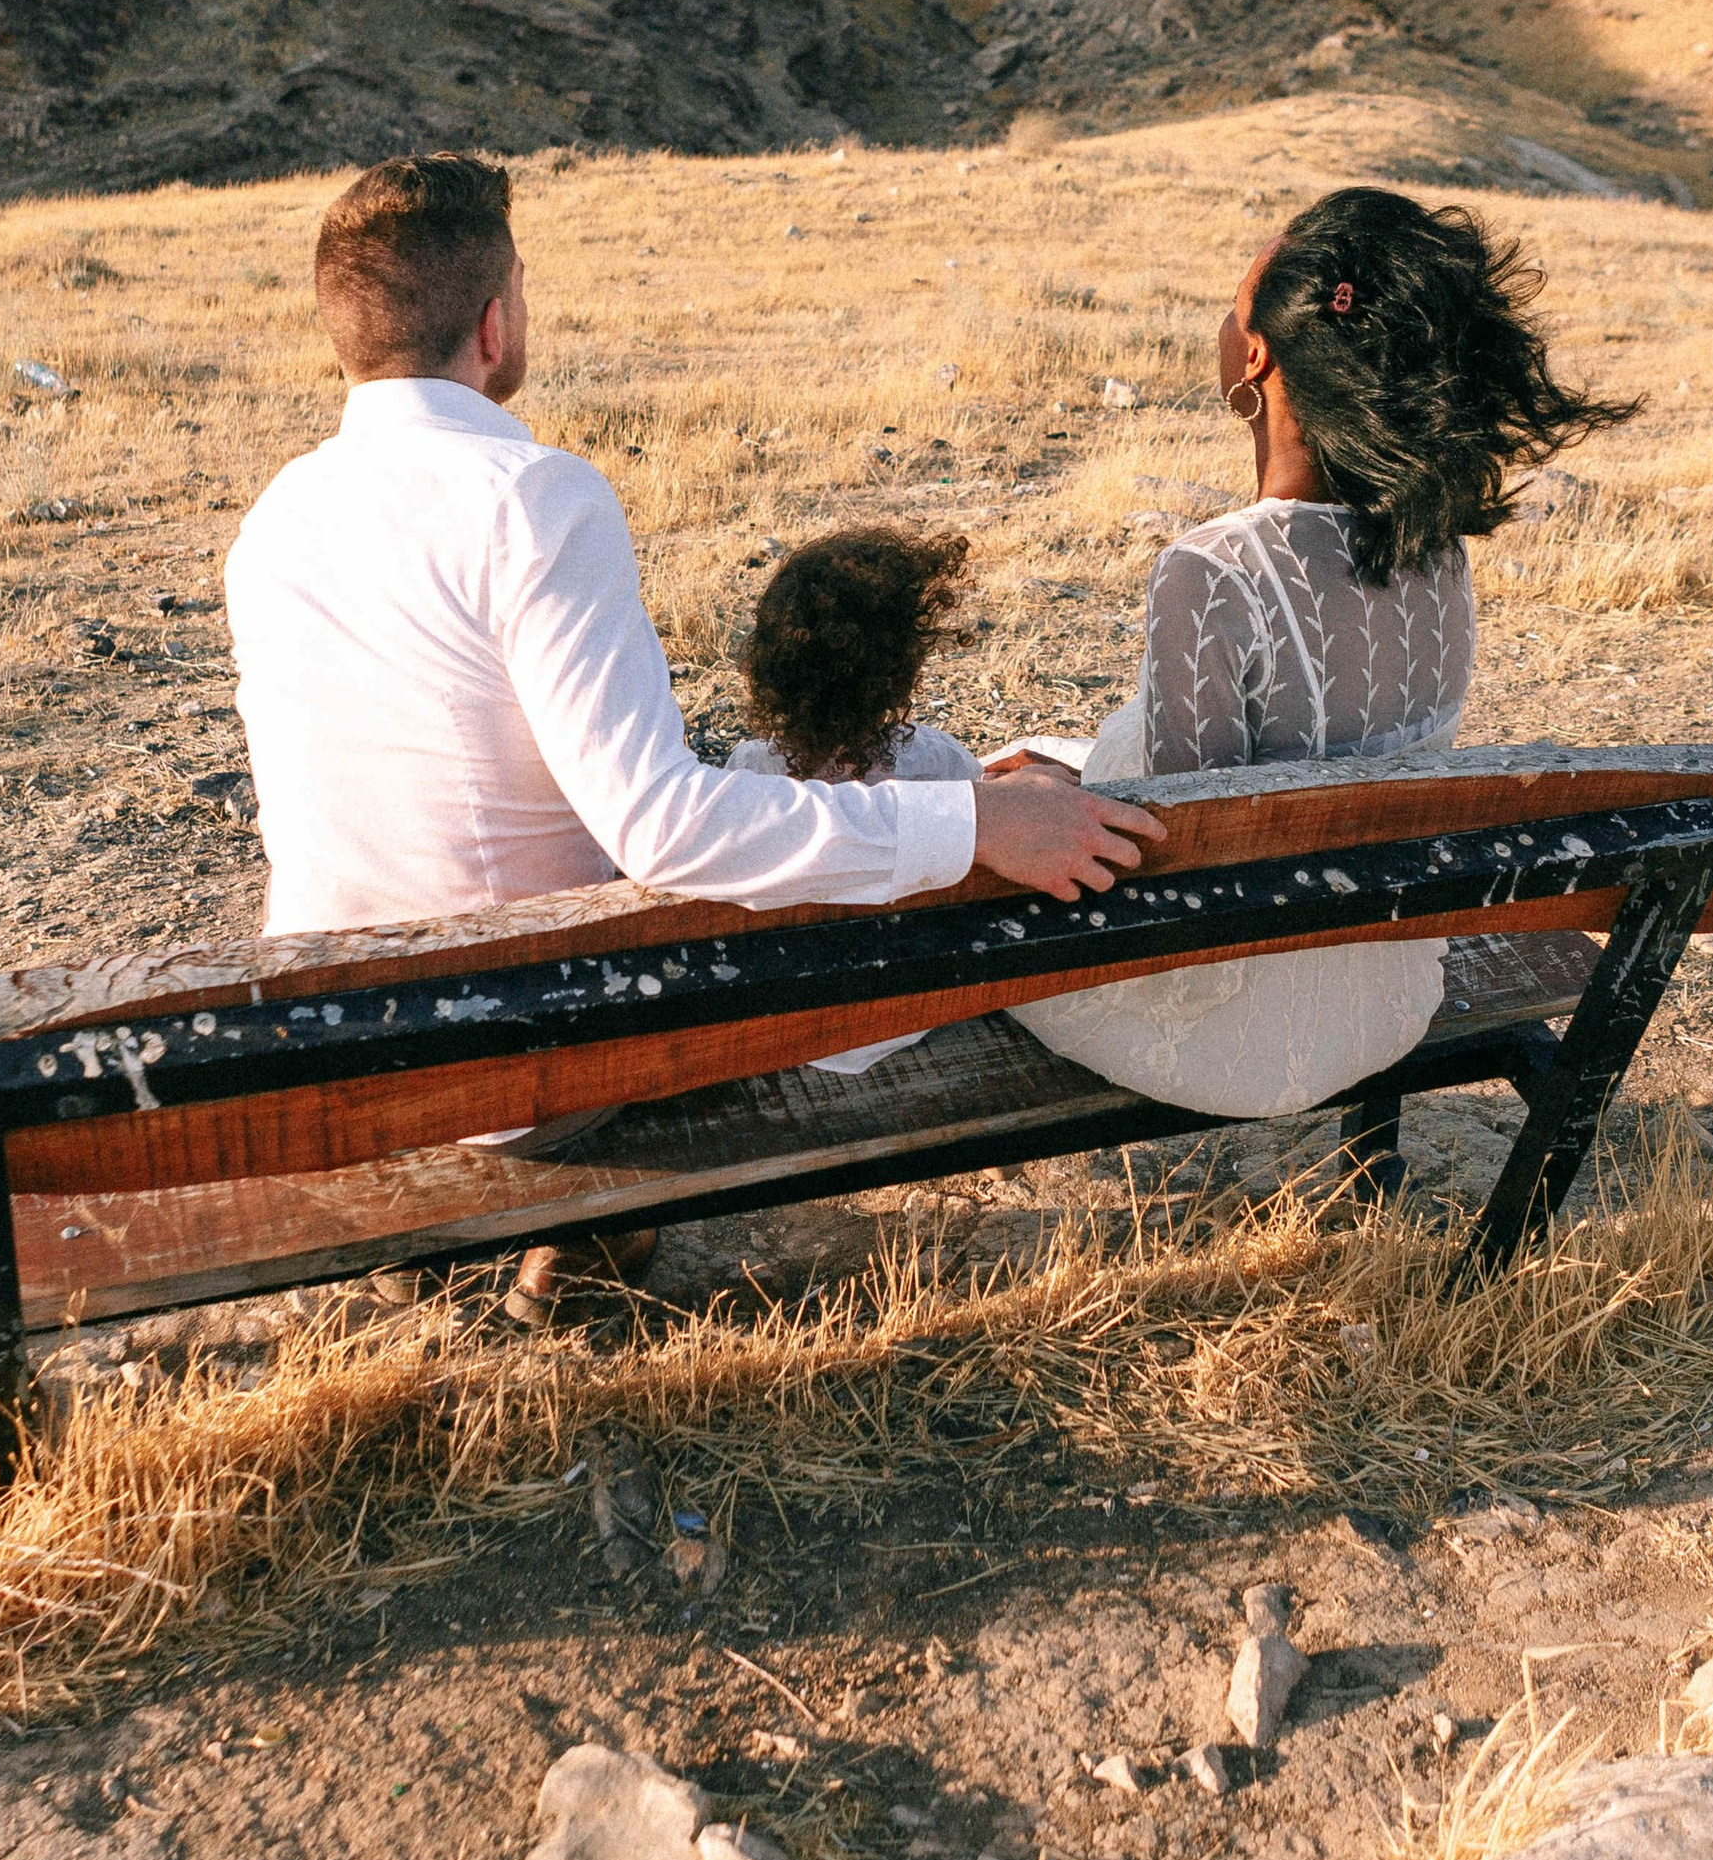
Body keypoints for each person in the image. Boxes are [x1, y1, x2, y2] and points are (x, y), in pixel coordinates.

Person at [226, 157, 1159, 1320]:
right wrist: (977, 820)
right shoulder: (533, 496)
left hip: (322, 1023)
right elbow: (659, 823)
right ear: (497, 320)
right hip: (498, 1061)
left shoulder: (273, 517)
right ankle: (586, 1233)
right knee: (761, 908)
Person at [1013, 185, 1634, 1120]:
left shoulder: (1210, 571)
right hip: (1385, 998)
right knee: (1053, 761)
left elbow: (1187, 865)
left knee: (987, 829)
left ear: (1253, 356)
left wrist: (1043, 809)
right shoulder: (1436, 546)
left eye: (1234, 308)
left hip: (1234, 1038)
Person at [726, 526, 985, 1080]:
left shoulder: (749, 773)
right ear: (901, 674)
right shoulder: (940, 763)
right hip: (907, 1014)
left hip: (797, 1022)